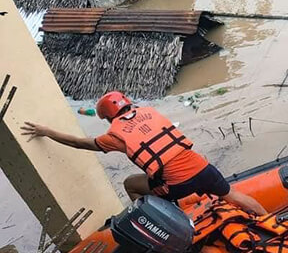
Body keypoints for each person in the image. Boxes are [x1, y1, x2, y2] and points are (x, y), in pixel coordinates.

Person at [20, 92, 266, 215]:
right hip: (203, 168)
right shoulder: (150, 112)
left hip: (178, 184)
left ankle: (165, 222)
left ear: (107, 117)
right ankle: (268, 219)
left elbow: (78, 143)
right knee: (232, 194)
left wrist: (47, 131)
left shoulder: (114, 135)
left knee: (131, 184)